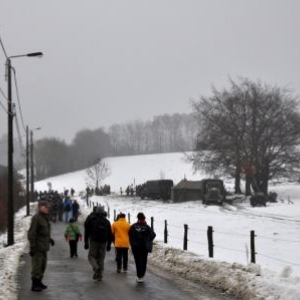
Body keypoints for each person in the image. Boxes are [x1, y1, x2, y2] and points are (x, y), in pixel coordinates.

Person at [27, 201, 55, 292]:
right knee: (37, 266)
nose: (47, 209)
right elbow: (32, 233)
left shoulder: (45, 217)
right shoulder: (36, 218)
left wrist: (50, 239)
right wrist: (32, 246)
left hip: (44, 246)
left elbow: (44, 231)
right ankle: (34, 284)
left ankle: (39, 282)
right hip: (37, 247)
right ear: (40, 207)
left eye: (48, 207)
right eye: (45, 207)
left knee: (43, 265)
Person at [84, 206, 112, 281]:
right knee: (101, 258)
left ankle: (96, 268)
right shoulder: (107, 221)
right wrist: (109, 244)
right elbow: (110, 234)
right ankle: (100, 276)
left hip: (94, 241)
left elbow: (87, 231)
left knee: (91, 256)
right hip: (103, 242)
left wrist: (86, 242)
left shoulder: (92, 220)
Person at [129, 212, 156, 283]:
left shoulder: (133, 226)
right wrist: (148, 240)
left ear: (137, 218)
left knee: (137, 261)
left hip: (136, 247)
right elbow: (153, 235)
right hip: (144, 247)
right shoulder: (147, 227)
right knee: (144, 261)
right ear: (144, 218)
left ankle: (139, 276)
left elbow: (130, 235)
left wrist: (132, 243)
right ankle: (142, 275)